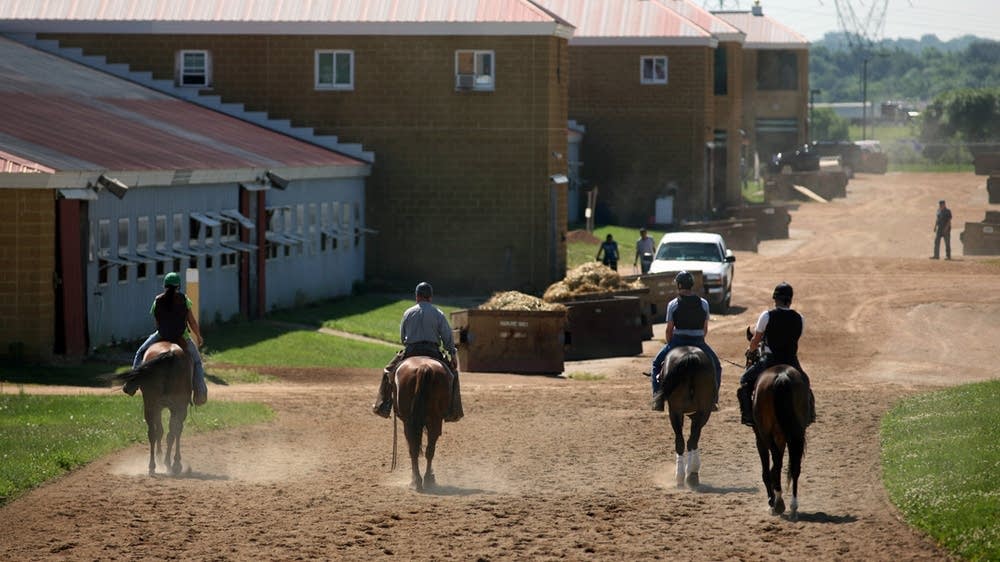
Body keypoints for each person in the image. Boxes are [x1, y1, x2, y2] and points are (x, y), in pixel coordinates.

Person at [372, 282, 463, 422]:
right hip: (433, 351)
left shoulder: (408, 313)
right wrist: (452, 354)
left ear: (417, 296)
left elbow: (403, 337)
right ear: (430, 297)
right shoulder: (438, 313)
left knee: (387, 371)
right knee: (452, 375)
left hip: (411, 350)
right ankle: (453, 410)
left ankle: (383, 406)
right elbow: (447, 336)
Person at [736, 282, 815, 427]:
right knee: (805, 382)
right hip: (791, 360)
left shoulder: (766, 316)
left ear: (775, 299)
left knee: (744, 380)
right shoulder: (800, 318)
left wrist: (751, 350)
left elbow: (756, 339)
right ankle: (810, 414)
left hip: (770, 361)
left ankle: (747, 415)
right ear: (790, 300)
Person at [126, 271, 207, 405]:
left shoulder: (157, 300)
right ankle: (200, 393)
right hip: (182, 337)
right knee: (197, 362)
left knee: (140, 353)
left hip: (162, 335)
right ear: (178, 286)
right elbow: (192, 322)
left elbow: (157, 322)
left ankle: (132, 384)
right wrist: (198, 335)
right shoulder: (184, 299)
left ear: (165, 286)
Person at [649, 271, 722, 411]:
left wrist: (670, 345)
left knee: (656, 364)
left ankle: (657, 399)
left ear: (679, 285)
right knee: (716, 367)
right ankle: (713, 399)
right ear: (691, 285)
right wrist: (699, 340)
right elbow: (705, 328)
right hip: (698, 341)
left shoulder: (673, 304)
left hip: (678, 341)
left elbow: (669, 329)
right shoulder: (704, 303)